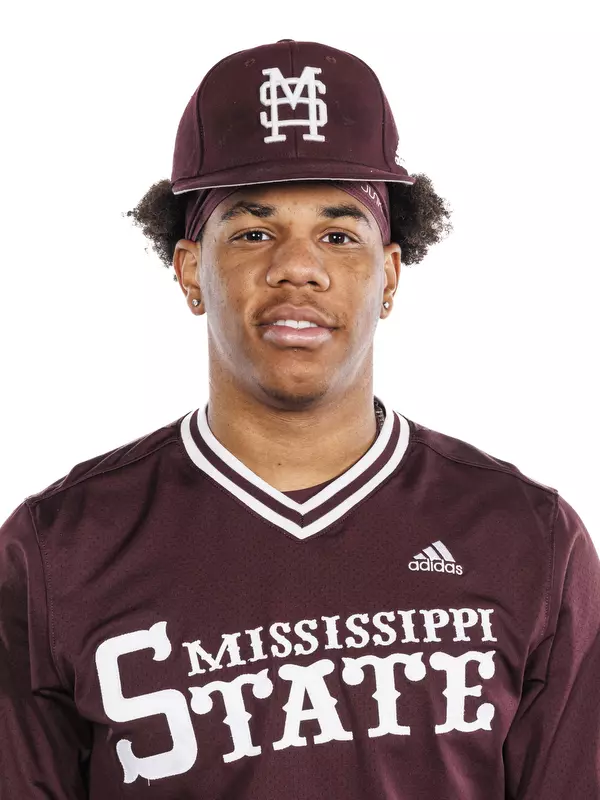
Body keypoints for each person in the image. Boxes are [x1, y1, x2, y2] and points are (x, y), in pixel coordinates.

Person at [0, 38, 598, 800]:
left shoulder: (528, 539)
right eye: (253, 232)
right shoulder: (57, 551)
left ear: (387, 275)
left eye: (339, 234)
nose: (297, 265)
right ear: (190, 271)